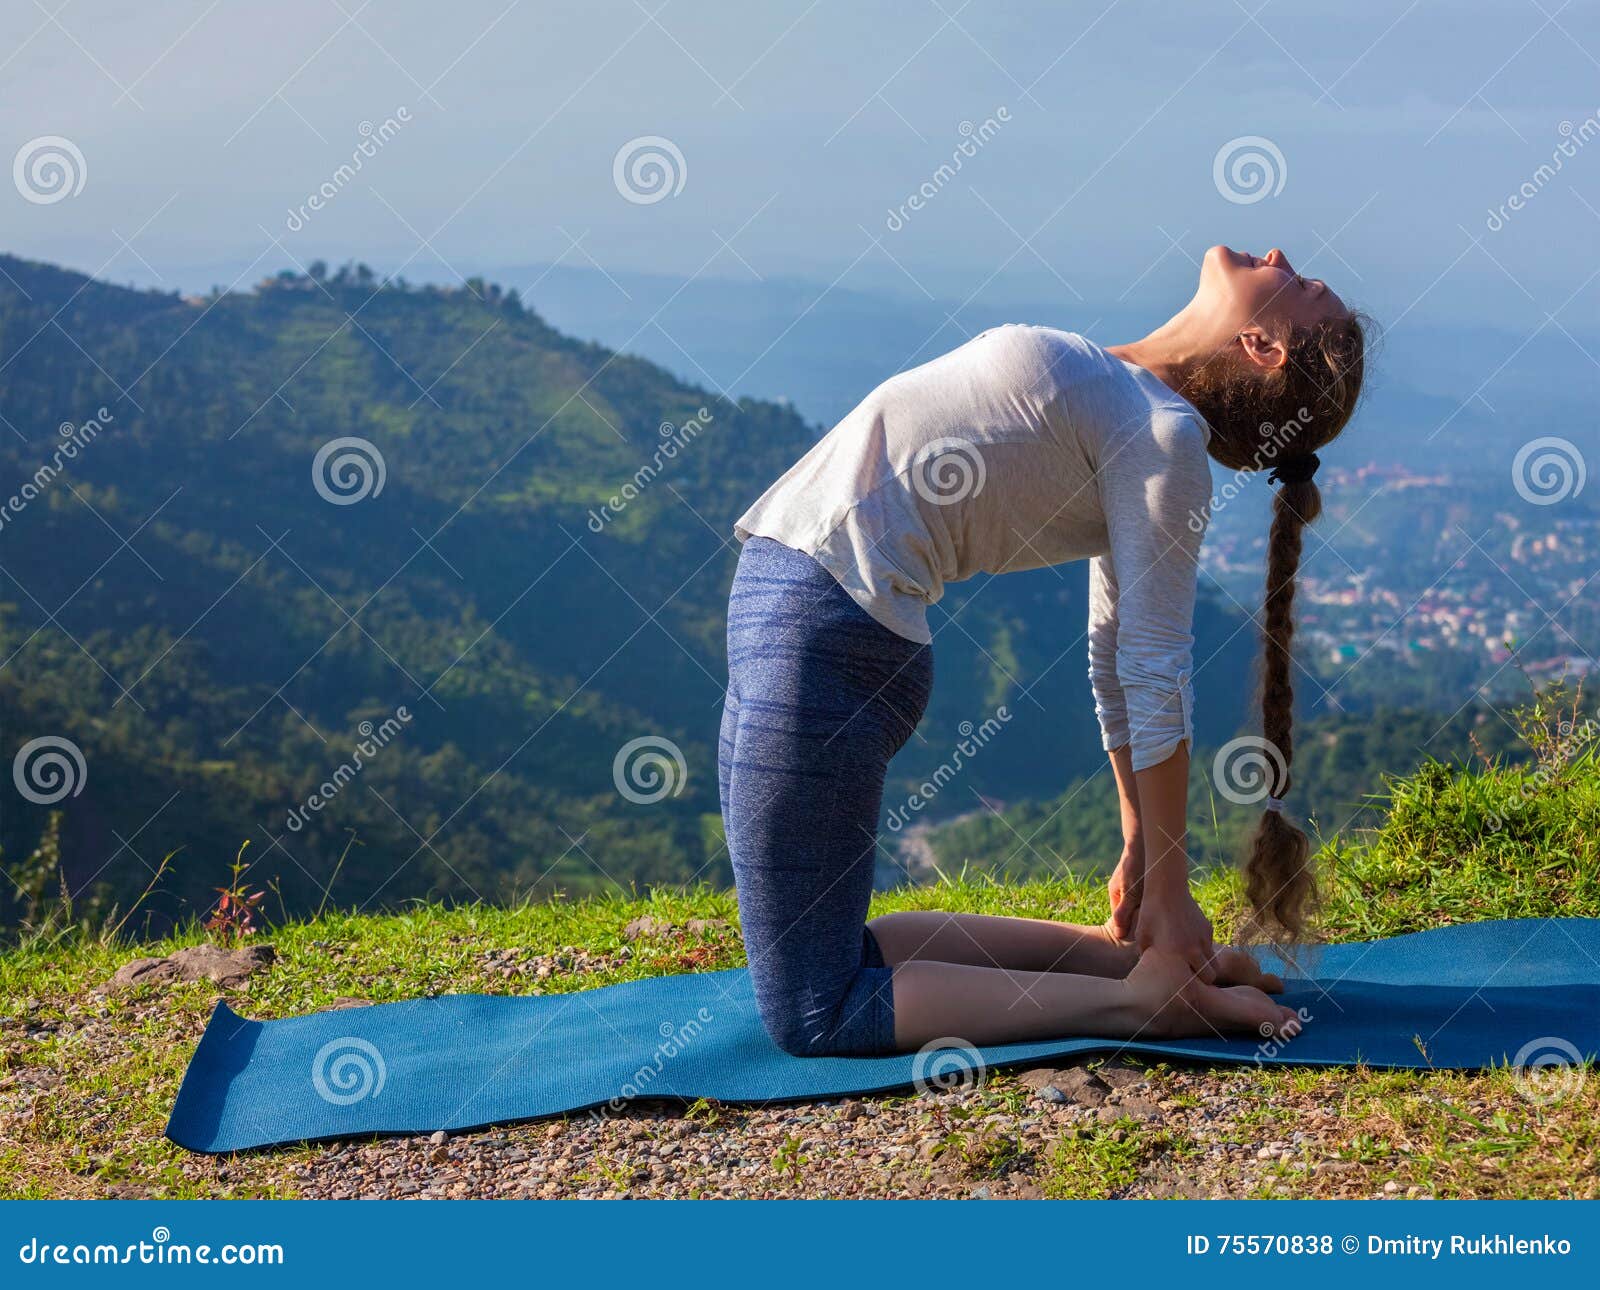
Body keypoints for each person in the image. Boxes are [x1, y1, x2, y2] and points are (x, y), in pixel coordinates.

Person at [718, 246, 1366, 1056]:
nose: (1277, 255)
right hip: (798, 614)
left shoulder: (1162, 438)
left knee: (818, 1010)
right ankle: (1132, 968)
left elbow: (1153, 665)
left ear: (1263, 348)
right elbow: (1108, 656)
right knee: (831, 959)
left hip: (828, 634)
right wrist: (1140, 850)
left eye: (1297, 284)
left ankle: (1141, 1007)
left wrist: (1170, 881)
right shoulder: (1133, 405)